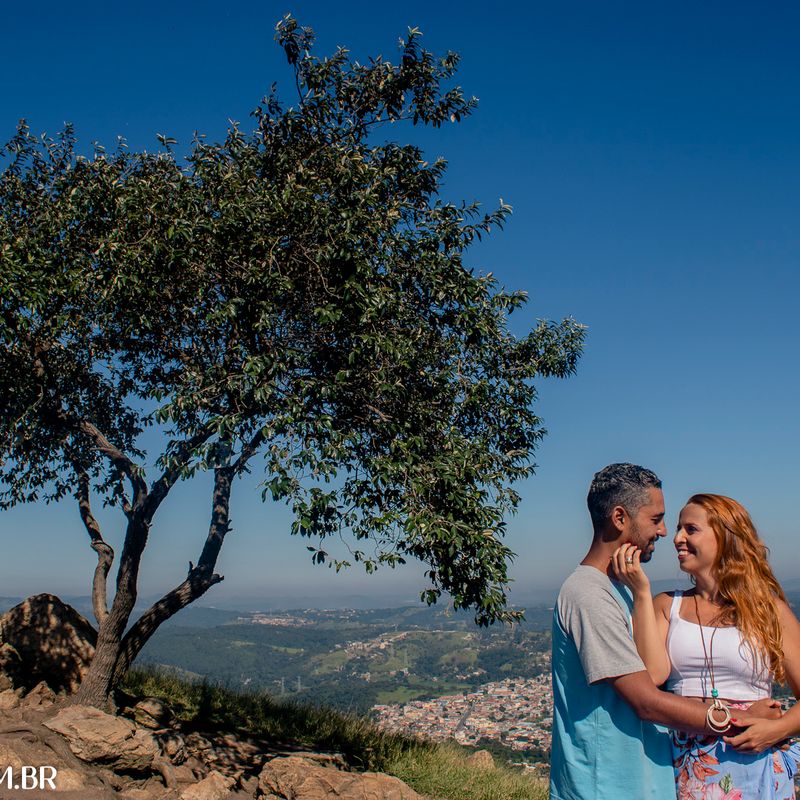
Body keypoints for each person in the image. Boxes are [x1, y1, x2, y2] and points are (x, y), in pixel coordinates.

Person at [550, 465, 779, 800]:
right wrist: (739, 718)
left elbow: (655, 673)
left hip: (640, 781)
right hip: (605, 785)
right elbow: (646, 702)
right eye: (655, 518)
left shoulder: (623, 589)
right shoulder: (588, 593)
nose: (663, 532)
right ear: (620, 518)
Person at [612, 492, 800, 799]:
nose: (676, 538)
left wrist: (775, 730)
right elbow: (653, 676)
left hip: (756, 765)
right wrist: (642, 594)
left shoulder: (769, 610)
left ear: (725, 538)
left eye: (690, 529)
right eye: (677, 528)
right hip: (687, 766)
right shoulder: (665, 606)